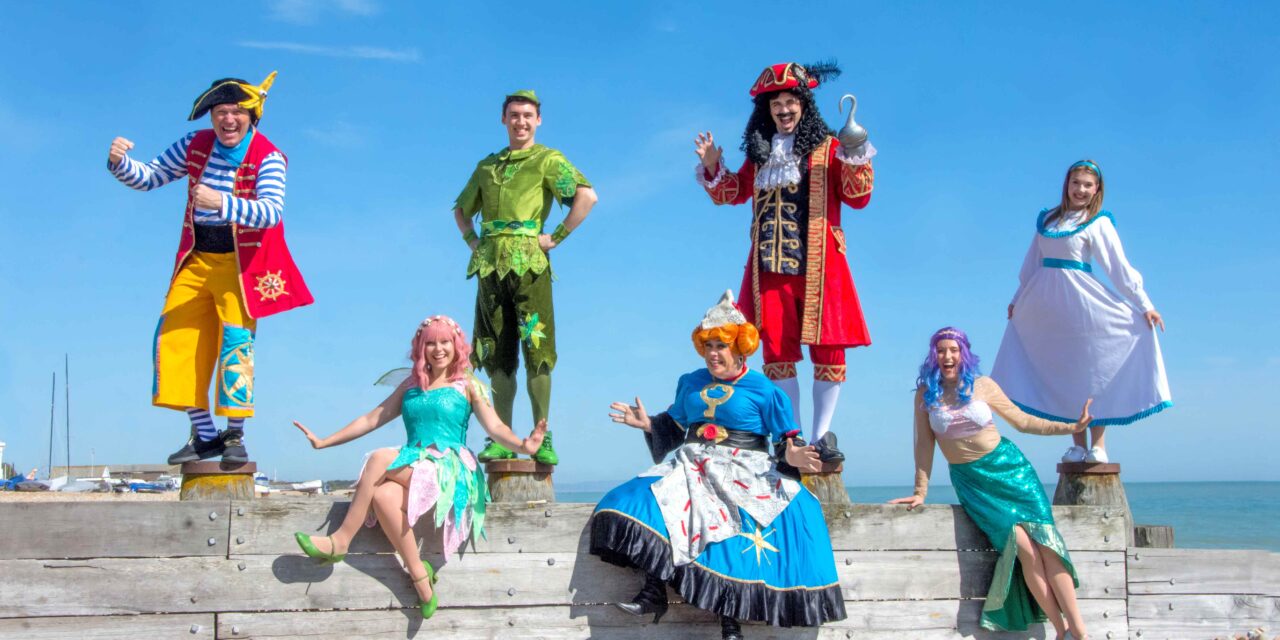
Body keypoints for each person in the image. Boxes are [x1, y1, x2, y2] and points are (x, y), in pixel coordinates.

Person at [590, 291, 843, 640]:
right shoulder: (689, 382)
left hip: (744, 468)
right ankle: (654, 590)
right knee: (637, 500)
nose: (712, 353)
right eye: (707, 345)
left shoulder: (765, 390)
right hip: (691, 462)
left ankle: (729, 622)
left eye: (720, 345)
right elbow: (675, 426)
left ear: (740, 347)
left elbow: (787, 440)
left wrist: (794, 456)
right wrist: (649, 424)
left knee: (728, 522)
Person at [106, 72, 312, 465]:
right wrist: (119, 162)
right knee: (175, 339)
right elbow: (150, 177)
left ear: (252, 116)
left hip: (241, 268)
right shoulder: (195, 145)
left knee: (236, 345)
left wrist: (221, 201)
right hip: (197, 260)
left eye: (237, 111)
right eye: (220, 111)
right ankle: (203, 434)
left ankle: (234, 435)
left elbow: (271, 212)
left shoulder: (268, 156)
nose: (228, 119)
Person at [292, 315, 546, 619]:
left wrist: (523, 446)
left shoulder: (467, 384)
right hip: (415, 463)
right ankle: (422, 581)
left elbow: (494, 427)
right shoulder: (412, 385)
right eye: (430, 343)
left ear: (456, 345)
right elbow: (371, 419)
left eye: (444, 342)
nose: (438, 349)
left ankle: (341, 540)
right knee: (384, 495)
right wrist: (324, 442)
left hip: (449, 468)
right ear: (420, 347)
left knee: (377, 460)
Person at [694, 62, 876, 463]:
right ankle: (791, 437)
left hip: (820, 266)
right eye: (776, 103)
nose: (784, 109)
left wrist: (855, 154)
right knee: (777, 352)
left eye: (791, 101)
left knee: (828, 349)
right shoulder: (760, 159)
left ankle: (822, 435)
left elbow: (858, 196)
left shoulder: (830, 149)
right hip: (769, 267)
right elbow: (732, 193)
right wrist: (711, 166)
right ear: (767, 111)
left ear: (804, 105)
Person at [890, 327, 1093, 638]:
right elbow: (924, 446)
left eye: (954, 350)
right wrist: (920, 491)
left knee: (1048, 546)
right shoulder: (925, 395)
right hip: (974, 483)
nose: (947, 356)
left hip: (1012, 471)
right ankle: (1059, 628)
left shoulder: (983, 386)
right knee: (1023, 549)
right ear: (934, 356)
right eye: (941, 350)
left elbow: (1024, 421)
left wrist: (1071, 426)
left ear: (964, 354)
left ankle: (1078, 630)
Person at [452, 89, 598, 466]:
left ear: (538, 120)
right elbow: (461, 210)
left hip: (531, 263)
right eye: (514, 115)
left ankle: (541, 434)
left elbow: (587, 196)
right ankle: (500, 437)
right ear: (504, 119)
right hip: (489, 266)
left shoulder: (548, 160)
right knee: (496, 354)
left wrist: (556, 237)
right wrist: (473, 242)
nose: (521, 121)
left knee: (538, 350)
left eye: (528, 115)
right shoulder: (487, 166)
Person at [992, 160, 1171, 464]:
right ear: (1067, 184)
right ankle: (1076, 442)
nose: (1081, 190)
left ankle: (1098, 444)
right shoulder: (1048, 220)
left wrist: (1145, 305)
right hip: (1048, 309)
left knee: (1094, 370)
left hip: (1084, 306)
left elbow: (1119, 268)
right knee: (1064, 371)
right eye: (1076, 183)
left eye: (1088, 185)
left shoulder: (1097, 222)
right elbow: (1031, 264)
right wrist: (1017, 298)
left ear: (1097, 189)